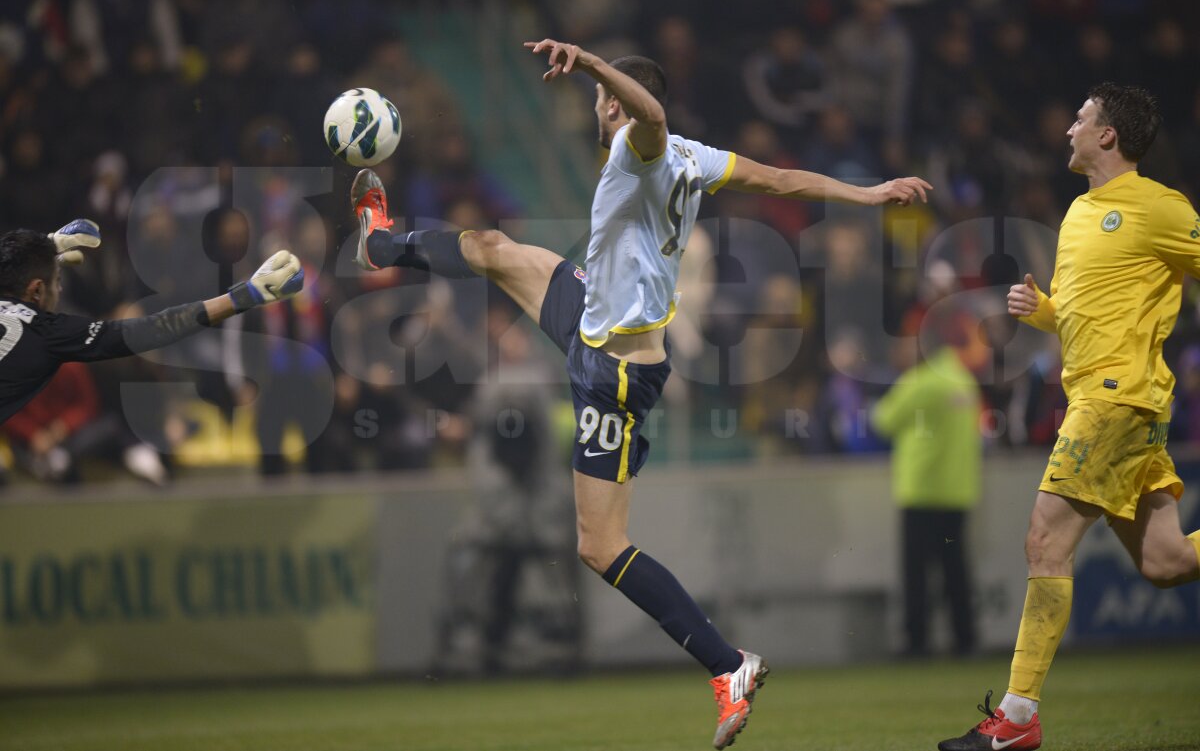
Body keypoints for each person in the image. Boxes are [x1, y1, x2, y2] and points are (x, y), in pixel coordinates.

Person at [347, 39, 931, 749]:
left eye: (598, 100)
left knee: (599, 545)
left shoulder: (641, 146)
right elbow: (778, 179)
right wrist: (865, 193)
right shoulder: (694, 153)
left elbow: (651, 114)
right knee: (495, 249)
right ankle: (380, 244)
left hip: (613, 373)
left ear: (615, 103)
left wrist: (590, 62)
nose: (592, 111)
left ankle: (728, 664)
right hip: (593, 318)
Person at [938, 84, 1200, 751]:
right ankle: (1017, 723)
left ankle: (1017, 721)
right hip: (1102, 395)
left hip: (1117, 397)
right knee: (1167, 561)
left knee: (1044, 542)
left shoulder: (1161, 207)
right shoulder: (1084, 210)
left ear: (1108, 135)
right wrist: (1047, 311)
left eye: (1081, 120)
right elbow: (1094, 313)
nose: (1068, 131)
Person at [0, 220, 304, 427]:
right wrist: (242, 297)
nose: (61, 290)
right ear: (37, 290)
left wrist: (41, 247)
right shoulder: (47, 332)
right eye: (56, 282)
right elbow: (154, 329)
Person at [871, 323, 981, 658]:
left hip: (922, 492)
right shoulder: (964, 380)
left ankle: (917, 642)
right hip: (957, 493)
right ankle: (965, 640)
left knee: (916, 575)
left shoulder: (921, 382)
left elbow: (882, 420)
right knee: (955, 571)